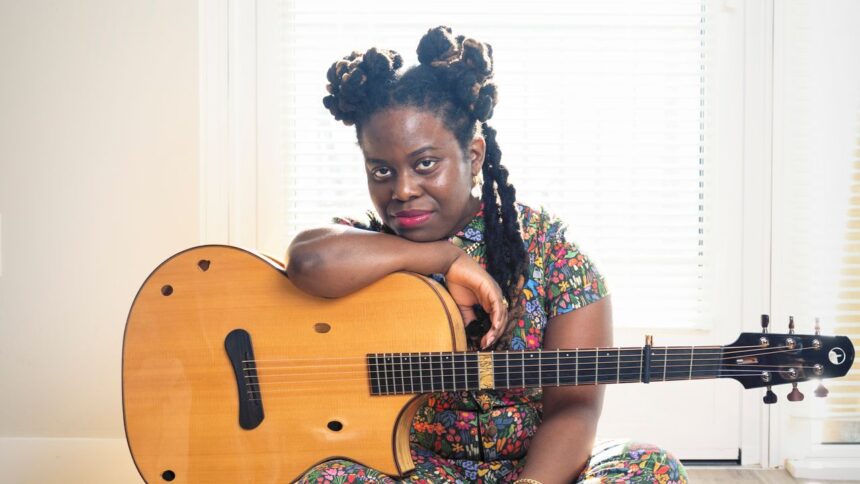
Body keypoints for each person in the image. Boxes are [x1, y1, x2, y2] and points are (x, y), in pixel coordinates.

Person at [287, 26, 688, 484]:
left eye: (425, 164)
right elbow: (308, 261)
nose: (402, 189)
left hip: (540, 469)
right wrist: (443, 259)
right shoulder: (367, 242)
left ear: (474, 156)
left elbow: (575, 408)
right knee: (325, 475)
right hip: (412, 470)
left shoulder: (549, 249)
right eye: (381, 170)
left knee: (651, 467)